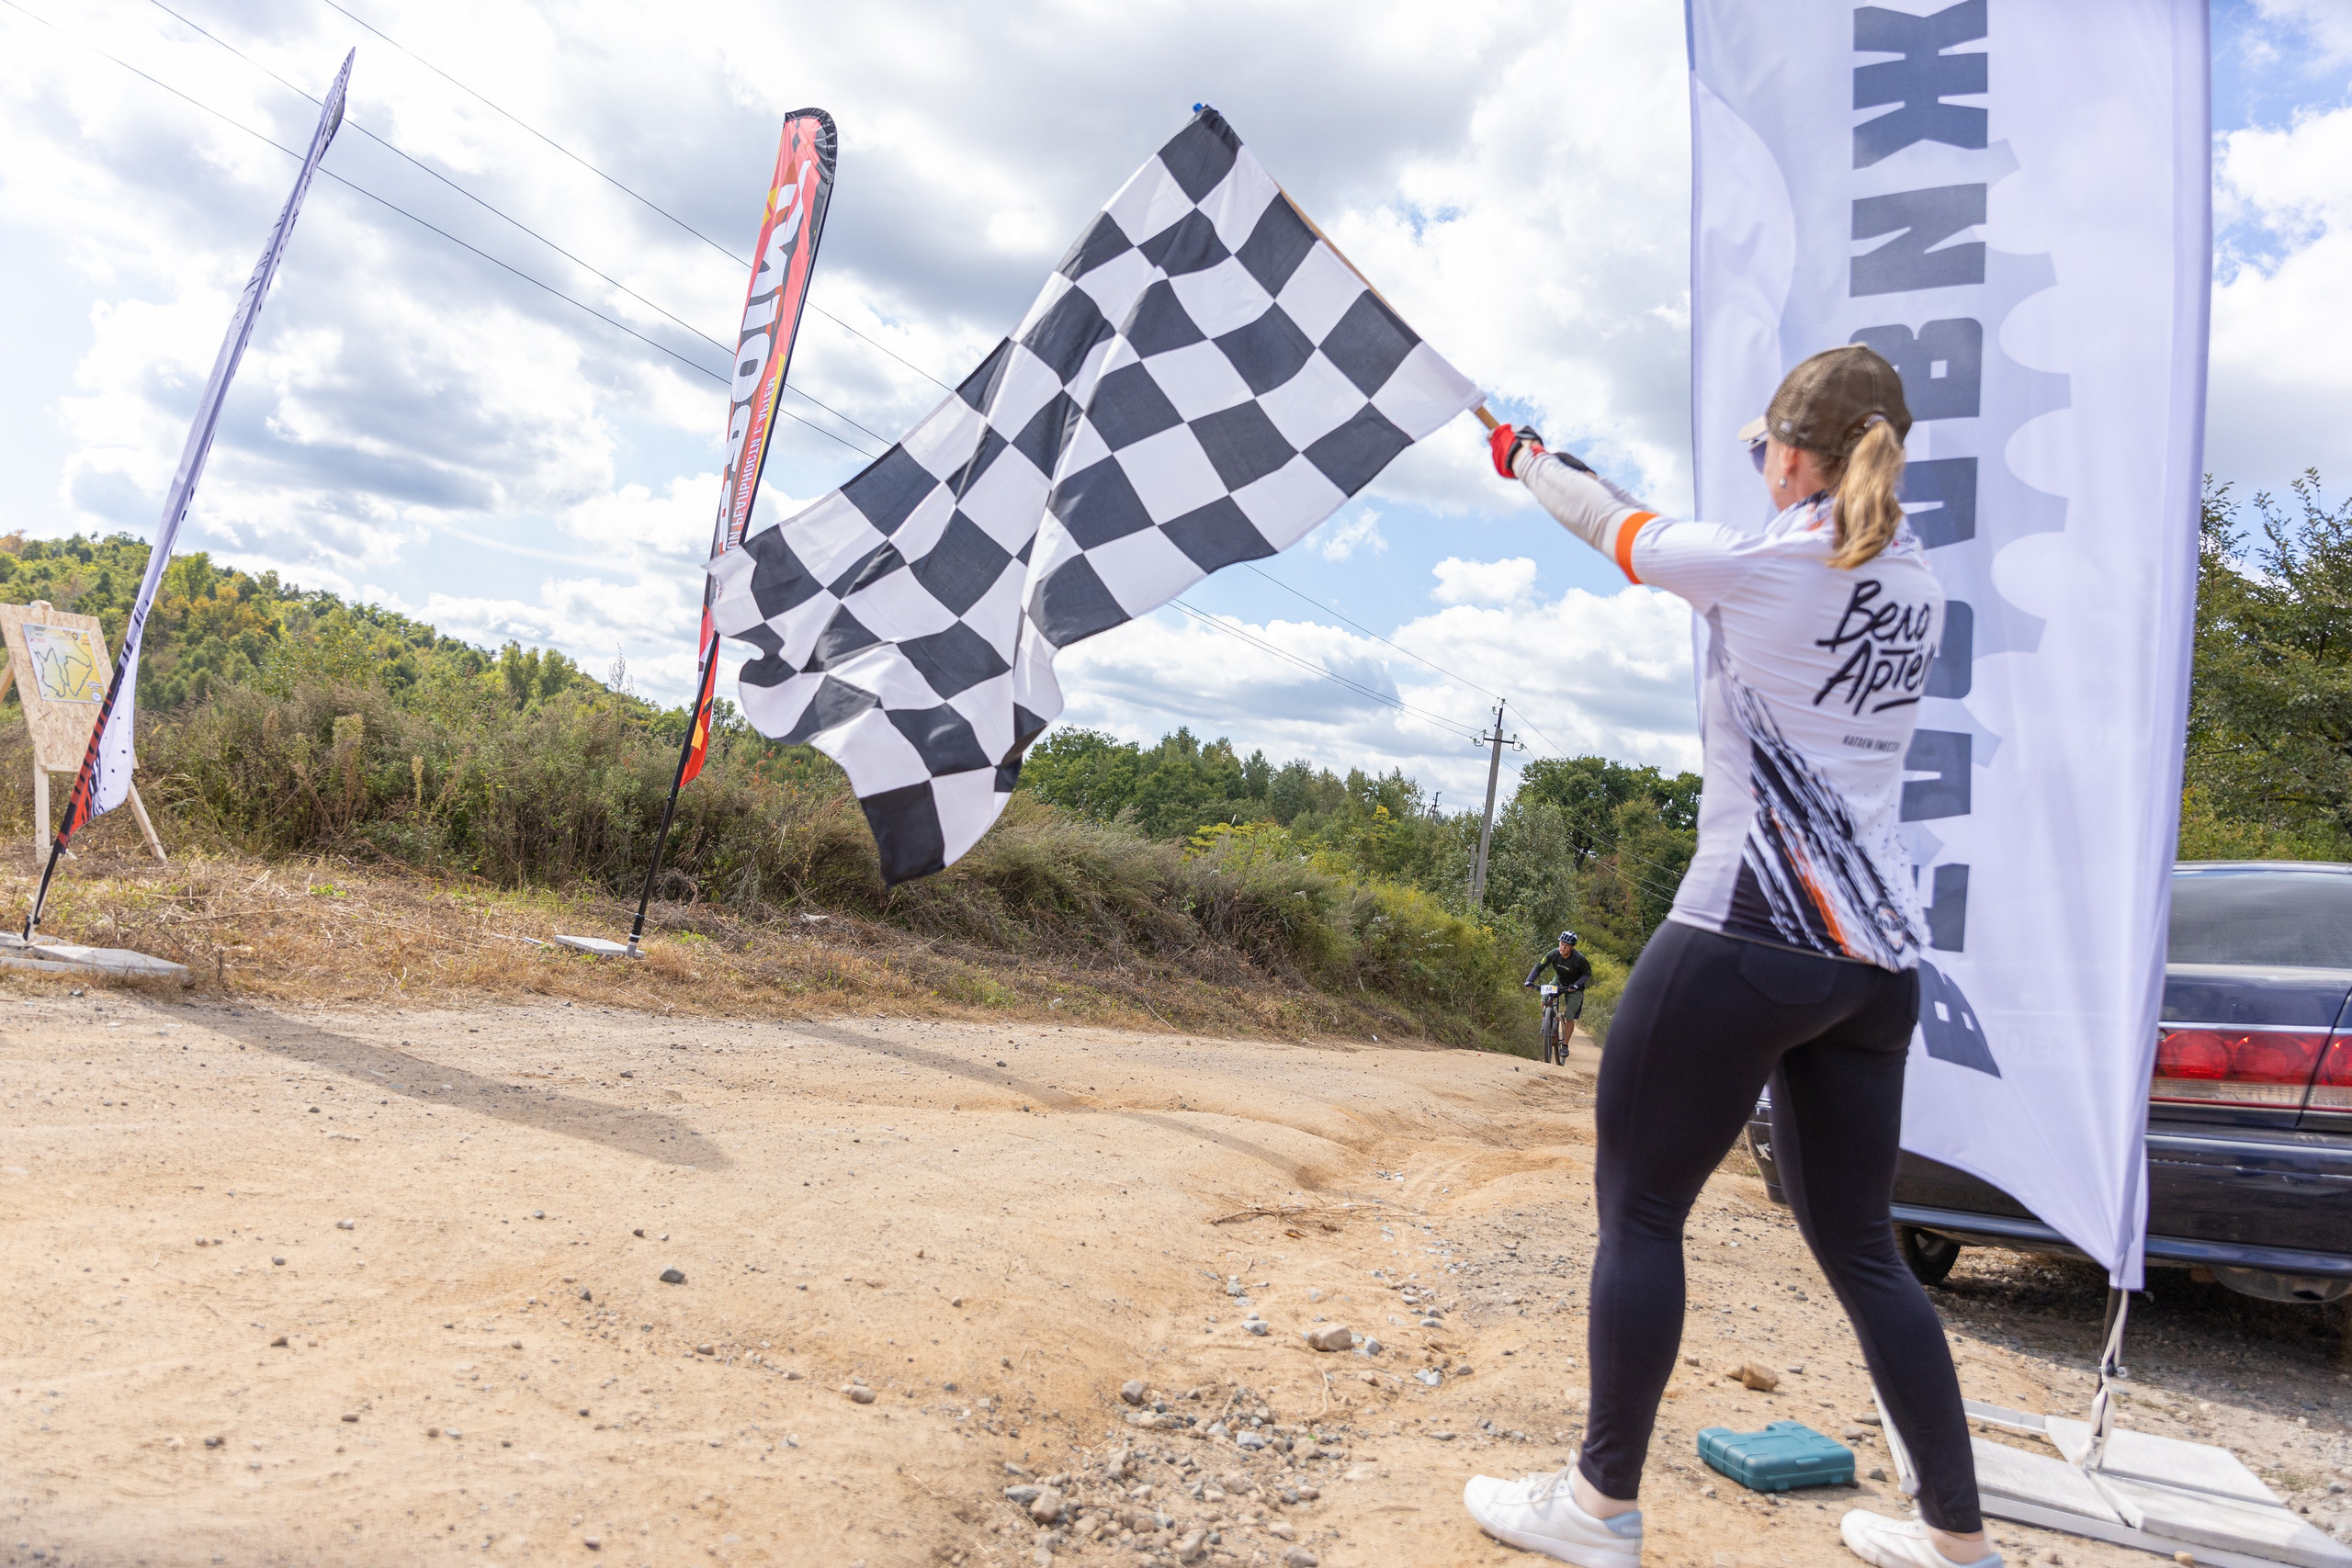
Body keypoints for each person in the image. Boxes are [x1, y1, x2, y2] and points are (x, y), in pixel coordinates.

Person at [1458, 346, 1990, 1568]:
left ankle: (1598, 1507)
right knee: (1862, 1243)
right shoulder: (1918, 581)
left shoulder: (1763, 563)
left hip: (1752, 929)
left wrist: (1525, 455)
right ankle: (1957, 1538)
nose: (1758, 465)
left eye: (1764, 449)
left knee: (1639, 1208)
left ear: (1795, 454)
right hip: (1878, 960)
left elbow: (1611, 524)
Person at [1525, 931, 1592, 1061]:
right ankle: (1546, 1022)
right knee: (1545, 997)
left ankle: (1565, 1046)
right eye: (1561, 944)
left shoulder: (1579, 959)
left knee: (1569, 1016)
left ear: (1571, 947)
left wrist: (1577, 985)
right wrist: (1529, 980)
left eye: (1566, 945)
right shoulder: (1554, 953)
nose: (1562, 947)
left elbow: (1587, 974)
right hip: (1559, 981)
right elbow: (1539, 967)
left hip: (1574, 988)